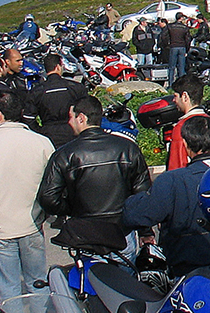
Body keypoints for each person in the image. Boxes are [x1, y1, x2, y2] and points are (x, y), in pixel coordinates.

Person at [0, 91, 55, 300]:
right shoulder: (42, 143)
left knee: (8, 288)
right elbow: (52, 186)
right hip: (32, 224)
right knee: (38, 282)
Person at [38, 95, 152, 255]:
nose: (69, 122)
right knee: (124, 271)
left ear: (81, 118)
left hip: (86, 234)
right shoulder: (128, 148)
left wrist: (73, 209)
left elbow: (48, 198)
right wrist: (145, 231)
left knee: (91, 271)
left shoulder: (65, 154)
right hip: (122, 232)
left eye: (71, 117)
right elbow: (142, 193)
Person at [121, 115, 210, 275]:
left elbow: (141, 214)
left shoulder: (173, 180)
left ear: (185, 144)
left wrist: (129, 202)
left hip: (187, 266)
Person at [166, 74, 210, 170]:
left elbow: (176, 166)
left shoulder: (181, 127)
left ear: (184, 96)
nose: (174, 100)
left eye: (175, 96)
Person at [164, 13, 191, 83]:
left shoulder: (170, 26)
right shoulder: (184, 27)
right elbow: (188, 39)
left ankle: (170, 83)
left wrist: (167, 45)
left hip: (173, 46)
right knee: (181, 67)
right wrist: (187, 49)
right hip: (182, 47)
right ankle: (181, 84)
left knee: (171, 67)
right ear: (181, 18)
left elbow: (164, 36)